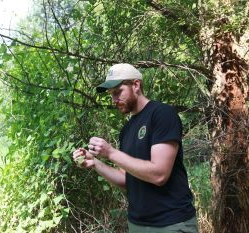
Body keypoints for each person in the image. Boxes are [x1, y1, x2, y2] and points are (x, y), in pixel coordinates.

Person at [73, 63, 198, 232]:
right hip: (137, 224)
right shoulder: (126, 130)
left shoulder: (162, 114)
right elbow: (126, 180)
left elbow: (159, 175)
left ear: (136, 85)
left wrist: (110, 152)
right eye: (111, 95)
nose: (114, 100)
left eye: (117, 92)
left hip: (171, 224)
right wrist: (95, 163)